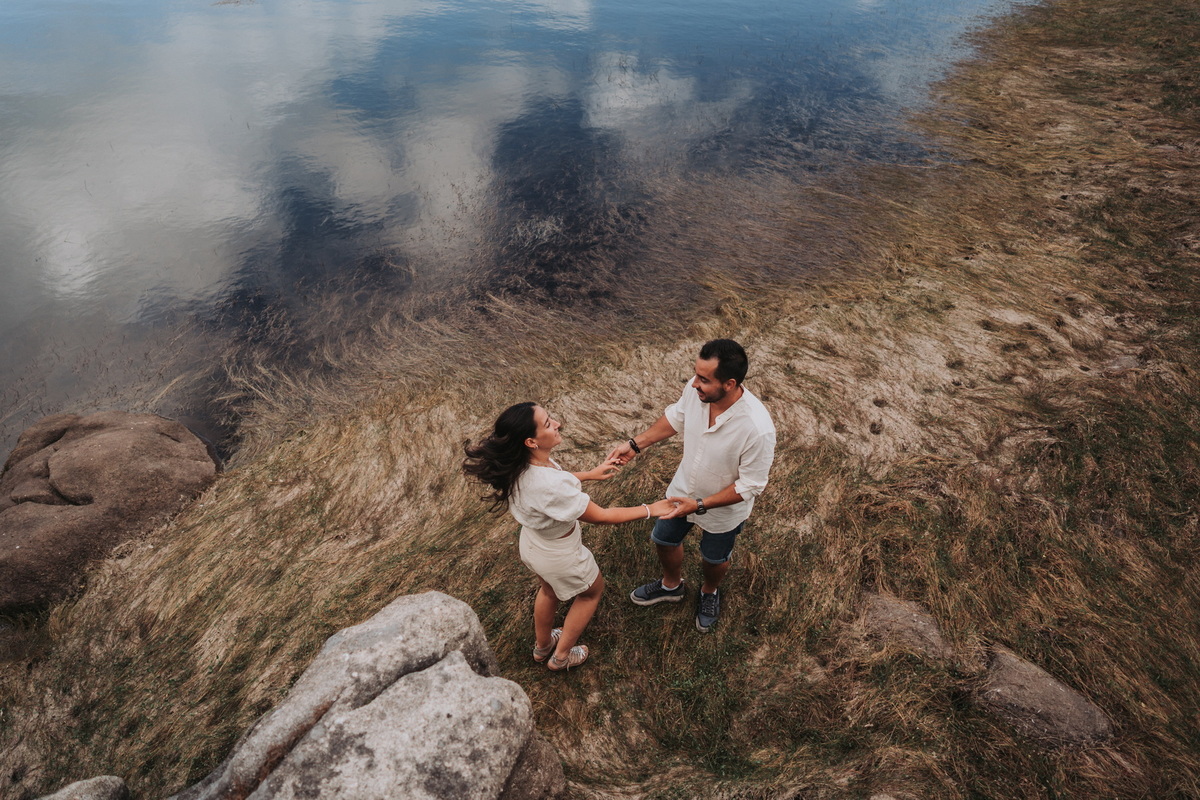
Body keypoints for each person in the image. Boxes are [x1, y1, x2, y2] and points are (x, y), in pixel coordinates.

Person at [464, 402, 676, 671]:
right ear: (531, 441)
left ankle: (542, 648)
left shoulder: (519, 465)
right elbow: (602, 516)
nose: (557, 424)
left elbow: (552, 483)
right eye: (548, 423)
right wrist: (651, 509)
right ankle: (561, 657)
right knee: (591, 593)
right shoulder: (549, 484)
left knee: (549, 590)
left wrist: (588, 474)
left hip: (532, 545)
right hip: (559, 554)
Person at [608, 339, 776, 633]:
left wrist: (699, 505)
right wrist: (635, 445)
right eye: (695, 375)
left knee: (714, 558)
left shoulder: (757, 429)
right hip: (682, 489)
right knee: (664, 539)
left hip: (723, 511)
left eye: (704, 380)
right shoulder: (697, 391)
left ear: (730, 383)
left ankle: (709, 592)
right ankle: (671, 586)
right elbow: (677, 417)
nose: (694, 384)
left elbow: (750, 485)